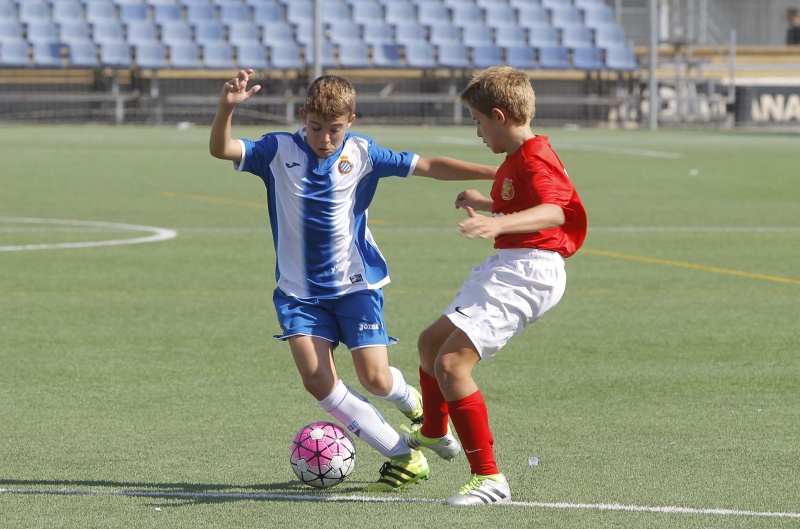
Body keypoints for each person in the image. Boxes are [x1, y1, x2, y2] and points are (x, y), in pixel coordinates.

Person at [209, 69, 497, 492]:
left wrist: (497, 175)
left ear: (352, 123)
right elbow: (222, 149)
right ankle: (404, 455)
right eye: (316, 128)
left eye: (335, 130)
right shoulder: (276, 149)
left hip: (355, 287)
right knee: (317, 381)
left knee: (375, 379)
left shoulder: (363, 154)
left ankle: (410, 401)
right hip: (298, 294)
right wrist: (226, 109)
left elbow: (429, 164)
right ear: (303, 115)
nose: (325, 138)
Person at [402, 66, 587, 505]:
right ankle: (431, 431)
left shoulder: (537, 157)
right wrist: (483, 201)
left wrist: (492, 223)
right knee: (430, 344)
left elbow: (554, 212)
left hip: (530, 270)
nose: (478, 132)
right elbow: (519, 200)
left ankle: (490, 480)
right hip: (509, 264)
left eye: (478, 121)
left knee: (451, 366)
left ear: (499, 116)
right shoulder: (516, 160)